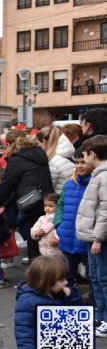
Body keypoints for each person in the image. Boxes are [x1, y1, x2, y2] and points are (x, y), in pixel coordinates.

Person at [14, 256, 81, 349]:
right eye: (61, 280)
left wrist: (71, 297)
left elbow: (74, 313)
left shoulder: (57, 294)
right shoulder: (29, 300)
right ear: (47, 282)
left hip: (55, 347)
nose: (66, 283)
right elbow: (23, 327)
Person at [0, 130, 54, 265]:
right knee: (46, 241)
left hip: (30, 202)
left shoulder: (17, 160)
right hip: (47, 201)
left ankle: (38, 277)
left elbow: (6, 186)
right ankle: (49, 274)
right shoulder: (40, 155)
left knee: (34, 241)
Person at [75, 135, 107, 336]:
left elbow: (104, 210)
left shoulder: (103, 176)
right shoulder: (99, 174)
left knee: (102, 278)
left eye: (84, 156)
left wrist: (97, 238)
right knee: (96, 278)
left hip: (99, 239)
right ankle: (100, 316)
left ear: (92, 154)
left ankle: (105, 319)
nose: (83, 160)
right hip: (94, 237)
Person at [55, 148, 92, 289]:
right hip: (68, 237)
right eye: (76, 162)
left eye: (83, 162)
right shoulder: (69, 184)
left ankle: (93, 305)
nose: (79, 166)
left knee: (92, 276)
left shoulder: (96, 183)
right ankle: (69, 303)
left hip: (86, 239)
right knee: (66, 276)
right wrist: (59, 224)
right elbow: (60, 205)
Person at [35, 127, 74, 194]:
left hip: (56, 201)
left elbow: (47, 188)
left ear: (44, 142)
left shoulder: (52, 162)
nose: (38, 147)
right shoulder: (66, 154)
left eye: (38, 144)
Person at [30, 194, 61, 258]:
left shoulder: (60, 219)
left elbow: (65, 235)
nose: (47, 208)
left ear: (58, 206)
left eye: (51, 206)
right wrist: (36, 233)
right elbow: (33, 229)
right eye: (45, 206)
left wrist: (59, 242)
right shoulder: (42, 218)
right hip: (43, 251)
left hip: (58, 252)